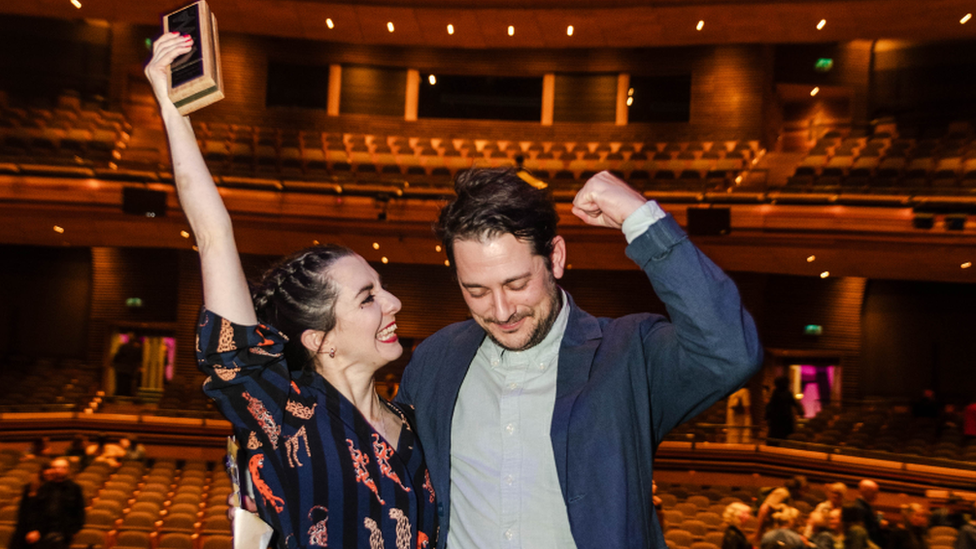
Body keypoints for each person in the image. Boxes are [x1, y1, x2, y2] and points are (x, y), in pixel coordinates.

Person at [144, 33, 437, 549]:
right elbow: (214, 234)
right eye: (368, 297)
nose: (393, 303)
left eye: (383, 289)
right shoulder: (282, 412)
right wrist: (173, 111)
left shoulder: (414, 420)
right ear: (318, 339)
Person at [396, 168, 763, 548]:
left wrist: (641, 218)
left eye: (517, 284)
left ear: (555, 257)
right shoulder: (435, 358)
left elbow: (730, 352)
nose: (502, 311)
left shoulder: (628, 353)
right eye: (476, 291)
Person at [11, 458, 85, 549]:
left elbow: (79, 511)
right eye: (56, 468)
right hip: (44, 530)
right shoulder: (44, 487)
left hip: (65, 531)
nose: (58, 470)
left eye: (62, 468)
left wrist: (75, 530)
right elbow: (35, 511)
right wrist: (34, 529)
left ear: (68, 470)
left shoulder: (75, 488)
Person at [754, 476, 808, 544]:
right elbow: (764, 509)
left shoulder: (789, 496)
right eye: (802, 490)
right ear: (796, 488)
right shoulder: (782, 492)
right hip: (768, 532)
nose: (803, 493)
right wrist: (758, 532)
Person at [765, 375, 804, 441]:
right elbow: (795, 404)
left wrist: (767, 416)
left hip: (775, 420)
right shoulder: (787, 393)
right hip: (786, 419)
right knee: (785, 438)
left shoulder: (775, 393)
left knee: (774, 438)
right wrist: (801, 412)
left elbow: (770, 406)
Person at [854, 479, 887, 548]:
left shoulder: (865, 505)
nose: (876, 495)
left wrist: (879, 520)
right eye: (874, 492)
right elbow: (866, 530)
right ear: (864, 491)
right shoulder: (860, 508)